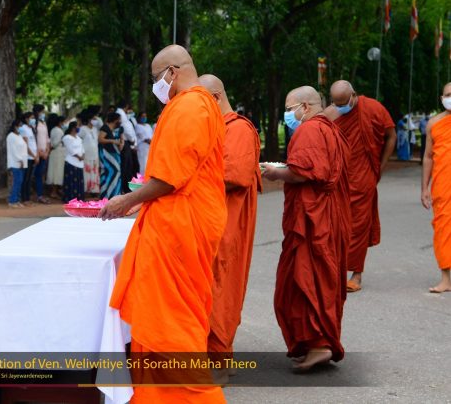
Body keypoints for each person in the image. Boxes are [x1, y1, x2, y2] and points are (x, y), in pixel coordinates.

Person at [99, 45, 227, 403]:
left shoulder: (190, 106)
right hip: (182, 218)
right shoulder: (197, 105)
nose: (156, 86)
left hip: (181, 226)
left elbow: (171, 178)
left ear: (172, 72)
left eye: (156, 78)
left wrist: (127, 200)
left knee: (173, 326)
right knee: (165, 319)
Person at [261, 86, 351, 371]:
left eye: (290, 109)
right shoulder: (331, 129)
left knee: (305, 279)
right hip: (327, 214)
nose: (288, 115)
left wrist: (276, 173)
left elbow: (304, 171)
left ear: (305, 106)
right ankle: (317, 343)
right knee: (320, 279)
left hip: (313, 219)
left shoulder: (309, 130)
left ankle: (319, 345)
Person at [199, 74, 262, 383]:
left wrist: (186, 176)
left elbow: (234, 175)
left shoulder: (238, 129)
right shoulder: (216, 126)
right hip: (211, 219)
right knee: (209, 287)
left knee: (221, 288)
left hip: (229, 223)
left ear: (214, 98)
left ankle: (219, 362)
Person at [327, 81, 396, 292]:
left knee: (358, 226)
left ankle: (356, 273)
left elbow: (391, 136)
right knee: (333, 225)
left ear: (354, 95)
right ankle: (334, 271)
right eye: (337, 104)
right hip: (337, 178)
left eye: (343, 103)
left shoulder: (373, 109)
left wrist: (380, 167)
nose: (340, 107)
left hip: (363, 177)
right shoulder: (330, 113)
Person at [421, 82, 451, 293]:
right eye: (448, 94)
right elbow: (428, 157)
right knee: (443, 230)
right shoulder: (434, 123)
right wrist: (424, 187)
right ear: (441, 98)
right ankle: (446, 279)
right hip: (443, 185)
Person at [98, 112, 123, 199]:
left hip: (116, 154)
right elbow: (100, 139)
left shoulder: (119, 129)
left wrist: (121, 144)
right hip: (106, 154)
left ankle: (115, 193)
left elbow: (121, 139)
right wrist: (112, 141)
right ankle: (105, 195)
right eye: (119, 119)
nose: (120, 121)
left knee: (117, 172)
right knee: (108, 172)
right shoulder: (105, 127)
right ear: (115, 119)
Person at [116, 100, 138, 193]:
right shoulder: (121, 114)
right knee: (126, 166)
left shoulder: (122, 114)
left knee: (128, 166)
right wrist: (132, 139)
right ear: (126, 106)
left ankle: (126, 187)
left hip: (127, 142)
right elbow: (126, 129)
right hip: (126, 142)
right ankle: (125, 188)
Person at [6, 119, 28, 208]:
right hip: (15, 162)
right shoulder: (11, 136)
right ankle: (12, 200)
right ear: (15, 126)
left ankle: (17, 200)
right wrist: (20, 159)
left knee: (20, 181)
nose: (21, 128)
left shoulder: (19, 136)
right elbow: (14, 150)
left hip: (22, 162)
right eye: (20, 126)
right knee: (17, 181)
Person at [62, 121, 85, 202]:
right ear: (73, 128)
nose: (79, 128)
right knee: (71, 181)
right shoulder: (67, 137)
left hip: (80, 163)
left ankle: (79, 198)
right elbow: (70, 149)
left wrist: (83, 155)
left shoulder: (79, 138)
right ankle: (70, 198)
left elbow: (82, 148)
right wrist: (78, 156)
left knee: (79, 181)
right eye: (77, 126)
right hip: (71, 162)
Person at [80, 111, 101, 196]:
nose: (95, 120)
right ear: (89, 119)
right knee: (87, 173)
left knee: (94, 172)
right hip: (86, 154)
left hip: (95, 154)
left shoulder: (95, 129)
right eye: (93, 119)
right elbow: (79, 140)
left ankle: (94, 190)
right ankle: (86, 190)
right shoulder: (83, 129)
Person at [20, 112, 39, 206]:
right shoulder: (23, 128)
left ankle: (27, 197)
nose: (33, 120)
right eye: (31, 118)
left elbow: (34, 143)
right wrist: (33, 155)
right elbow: (25, 145)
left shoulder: (32, 128)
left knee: (29, 178)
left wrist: (36, 155)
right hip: (28, 157)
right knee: (26, 178)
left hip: (33, 157)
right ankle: (24, 198)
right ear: (26, 119)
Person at [33, 104, 51, 204]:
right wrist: (38, 152)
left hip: (44, 152)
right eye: (42, 112)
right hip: (36, 153)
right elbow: (33, 139)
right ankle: (35, 195)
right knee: (35, 174)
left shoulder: (44, 123)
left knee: (40, 174)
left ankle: (40, 194)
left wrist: (47, 150)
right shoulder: (34, 124)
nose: (43, 113)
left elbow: (47, 138)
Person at [46, 114, 66, 199]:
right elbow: (54, 143)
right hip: (57, 153)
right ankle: (53, 192)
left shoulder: (55, 130)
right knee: (56, 172)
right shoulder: (58, 131)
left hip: (58, 153)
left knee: (57, 172)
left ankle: (56, 190)